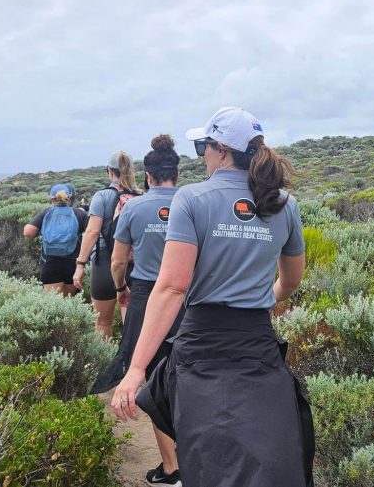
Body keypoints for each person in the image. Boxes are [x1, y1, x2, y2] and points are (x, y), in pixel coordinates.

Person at [111, 107, 313, 487]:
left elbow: (172, 288)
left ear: (220, 149)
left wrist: (136, 369)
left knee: (210, 459)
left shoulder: (192, 199)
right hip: (257, 346)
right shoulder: (284, 204)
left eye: (203, 146)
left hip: (202, 347)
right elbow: (290, 282)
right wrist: (258, 300)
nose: (202, 155)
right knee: (266, 460)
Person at [95, 134, 184, 486]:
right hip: (189, 298)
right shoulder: (195, 202)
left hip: (147, 297)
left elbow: (118, 262)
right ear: (177, 173)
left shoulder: (133, 208)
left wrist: (121, 289)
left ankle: (171, 468)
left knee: (151, 378)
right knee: (188, 376)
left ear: (147, 176)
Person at [73, 152, 141, 338]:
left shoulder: (102, 196)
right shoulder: (140, 195)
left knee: (103, 322)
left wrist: (80, 265)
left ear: (109, 171)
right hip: (134, 264)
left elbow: (92, 232)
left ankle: (107, 355)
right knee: (133, 323)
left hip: (104, 261)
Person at [23, 183, 89, 296]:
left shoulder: (45, 213)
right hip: (72, 262)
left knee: (53, 301)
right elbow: (91, 234)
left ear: (52, 198)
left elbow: (28, 232)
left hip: (49, 262)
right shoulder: (79, 214)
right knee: (69, 300)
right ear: (69, 197)